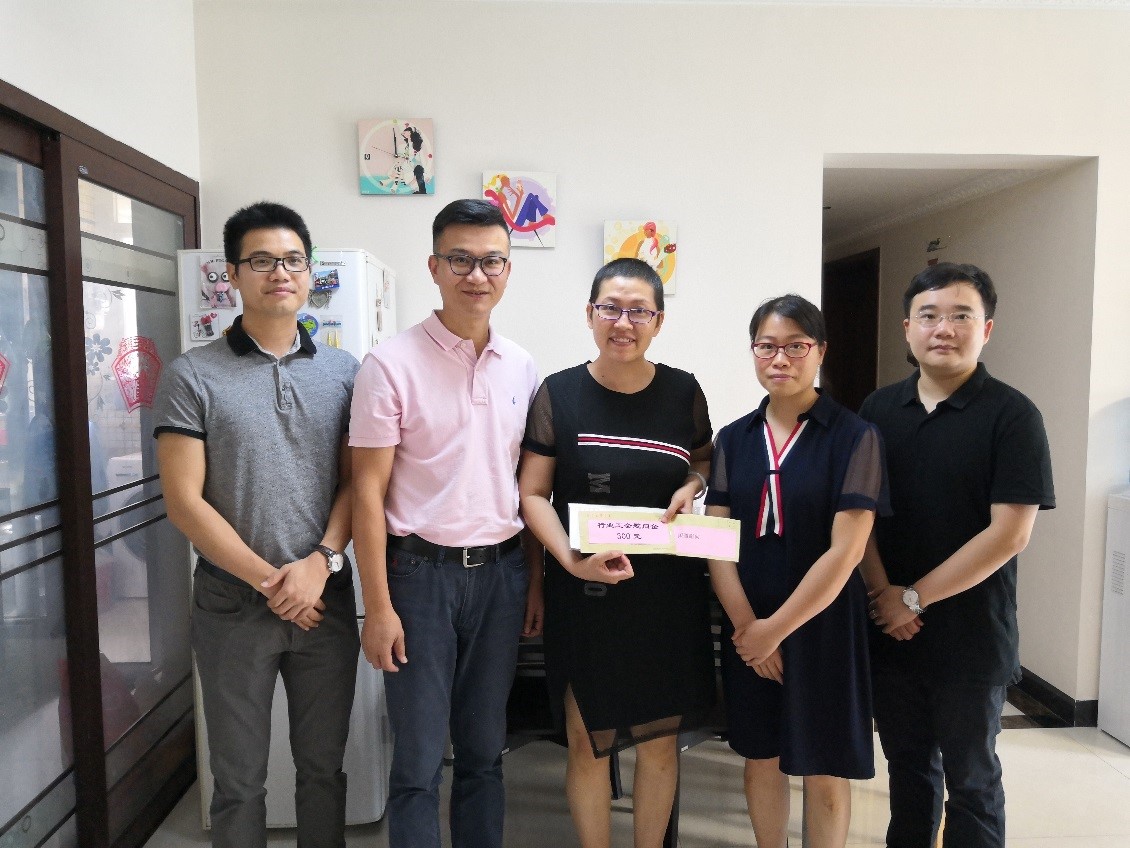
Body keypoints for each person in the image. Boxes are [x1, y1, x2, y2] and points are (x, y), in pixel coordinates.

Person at [154, 201, 360, 848]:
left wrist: (319, 564)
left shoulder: (346, 372)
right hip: (232, 604)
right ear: (233, 274)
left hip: (324, 598)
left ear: (310, 273)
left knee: (324, 769)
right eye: (262, 260)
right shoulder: (192, 375)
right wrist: (275, 582)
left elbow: (358, 483)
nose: (280, 273)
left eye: (293, 260)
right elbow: (185, 502)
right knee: (238, 780)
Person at [349, 198, 542, 848]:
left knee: (486, 751)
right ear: (434, 267)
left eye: (492, 261)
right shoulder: (389, 364)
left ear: (508, 270)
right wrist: (378, 607)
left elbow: (527, 487)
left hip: (502, 576)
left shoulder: (521, 365)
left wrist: (534, 581)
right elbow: (366, 493)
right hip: (419, 579)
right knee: (419, 757)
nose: (477, 275)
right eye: (460, 259)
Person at [518, 257, 716, 848]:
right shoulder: (558, 393)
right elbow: (532, 493)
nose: (623, 323)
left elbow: (702, 459)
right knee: (588, 742)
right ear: (589, 314)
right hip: (586, 592)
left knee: (660, 744)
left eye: (638, 311)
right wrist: (569, 560)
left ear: (659, 320)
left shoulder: (683, 391)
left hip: (667, 595)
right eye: (610, 308)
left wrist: (693, 484)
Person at [858, 263, 1054, 848]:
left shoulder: (1013, 416)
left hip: (972, 636)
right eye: (929, 315)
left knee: (973, 780)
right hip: (892, 632)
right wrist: (883, 595)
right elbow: (859, 517)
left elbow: (1009, 534)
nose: (943, 328)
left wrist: (912, 598)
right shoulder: (878, 411)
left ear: (986, 329)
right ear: (907, 328)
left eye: (961, 315)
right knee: (908, 770)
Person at [704, 294, 887, 848]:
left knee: (825, 766)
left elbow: (846, 552)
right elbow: (717, 543)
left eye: (795, 346)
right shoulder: (733, 439)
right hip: (749, 622)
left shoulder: (855, 436)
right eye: (766, 346)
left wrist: (773, 631)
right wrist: (748, 630)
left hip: (824, 623)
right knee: (761, 755)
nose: (779, 359)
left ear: (820, 351)